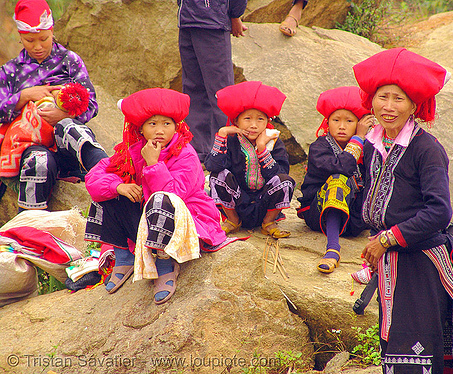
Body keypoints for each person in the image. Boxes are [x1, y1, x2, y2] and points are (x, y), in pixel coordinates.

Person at [353, 48, 453, 374]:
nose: (389, 107)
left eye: (398, 99)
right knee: (392, 345)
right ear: (370, 100)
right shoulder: (374, 143)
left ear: (414, 105)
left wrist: (387, 239)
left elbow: (438, 211)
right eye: (382, 97)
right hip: (390, 261)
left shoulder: (427, 150)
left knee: (414, 351)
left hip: (419, 263)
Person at [84, 88, 227, 305]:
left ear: (176, 126)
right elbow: (94, 178)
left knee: (160, 201)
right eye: (152, 124)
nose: (160, 130)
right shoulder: (132, 151)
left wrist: (153, 163)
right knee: (109, 193)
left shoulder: (185, 154)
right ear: (140, 128)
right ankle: (124, 255)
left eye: (166, 124)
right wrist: (118, 187)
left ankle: (165, 263)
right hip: (151, 218)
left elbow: (172, 195)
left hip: (186, 219)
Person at [0, 0, 107, 212]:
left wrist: (63, 114)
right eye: (30, 40)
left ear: (52, 32)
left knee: (71, 128)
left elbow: (91, 103)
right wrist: (23, 96)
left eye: (44, 39)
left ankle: (106, 171)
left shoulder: (69, 61)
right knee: (38, 163)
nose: (37, 47)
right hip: (33, 147)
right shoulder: (10, 71)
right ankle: (29, 231)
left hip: (66, 144)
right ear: (20, 37)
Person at [205, 81, 295, 238]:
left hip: (264, 203)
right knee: (217, 176)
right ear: (236, 122)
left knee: (284, 180)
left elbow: (280, 175)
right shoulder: (231, 141)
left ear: (267, 122)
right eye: (247, 118)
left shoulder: (274, 142)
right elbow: (213, 165)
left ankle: (268, 222)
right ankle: (232, 221)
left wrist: (261, 148)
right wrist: (222, 133)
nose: (253, 125)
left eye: (260, 119)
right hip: (238, 203)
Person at [297, 86, 373, 273]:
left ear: (359, 123)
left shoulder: (370, 147)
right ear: (327, 122)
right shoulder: (319, 147)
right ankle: (332, 249)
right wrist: (359, 138)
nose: (341, 126)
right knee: (338, 179)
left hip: (355, 220)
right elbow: (343, 167)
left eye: (349, 121)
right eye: (336, 120)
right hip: (319, 216)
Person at [177, 0, 248, 163]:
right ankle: (199, 153)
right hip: (187, 19)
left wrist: (235, 15)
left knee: (221, 93)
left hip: (212, 20)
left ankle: (230, 154)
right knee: (193, 88)